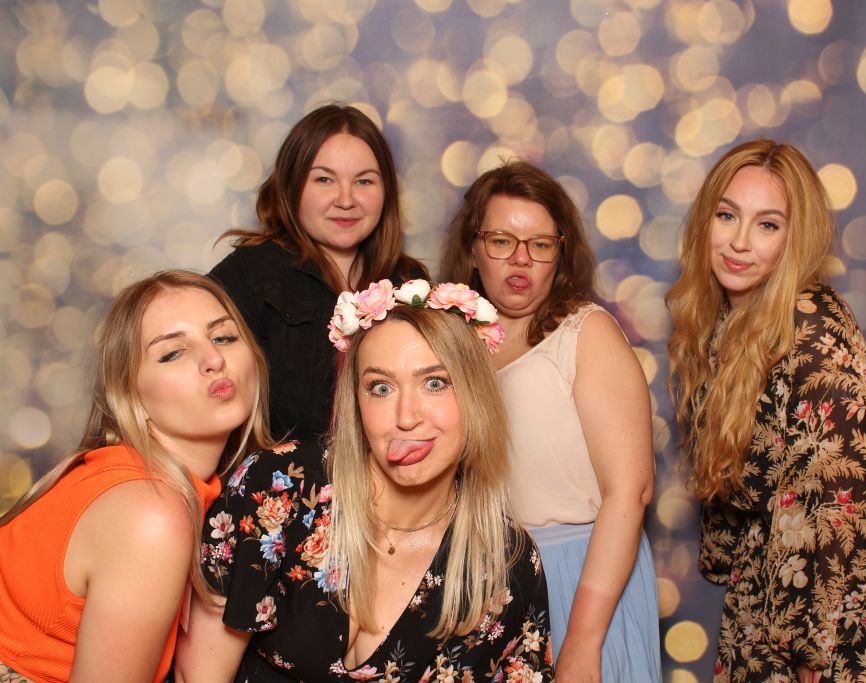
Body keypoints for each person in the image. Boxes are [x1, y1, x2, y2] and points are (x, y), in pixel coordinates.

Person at [666, 139, 866, 681]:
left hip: (858, 610)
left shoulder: (811, 325)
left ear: (794, 238)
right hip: (778, 596)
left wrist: (815, 647)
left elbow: (836, 493)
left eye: (767, 224)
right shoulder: (722, 322)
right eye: (727, 215)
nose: (739, 241)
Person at [176, 280, 553, 682]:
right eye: (381, 388)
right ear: (356, 402)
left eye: (435, 383)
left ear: (477, 396)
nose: (406, 417)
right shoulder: (279, 487)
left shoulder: (506, 564)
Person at [441, 161, 660, 682]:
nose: (521, 258)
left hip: (580, 580)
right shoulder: (452, 345)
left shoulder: (586, 332)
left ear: (560, 252)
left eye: (539, 244)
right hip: (486, 583)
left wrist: (583, 639)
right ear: (473, 247)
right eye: (501, 241)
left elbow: (630, 491)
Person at [0, 270, 271, 683]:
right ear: (131, 396)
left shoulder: (140, 481)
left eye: (223, 337)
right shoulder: (149, 513)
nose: (214, 360)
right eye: (172, 353)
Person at [209, 103, 427, 441]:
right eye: (324, 179)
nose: (346, 200)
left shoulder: (410, 283)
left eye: (364, 181)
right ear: (291, 186)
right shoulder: (248, 277)